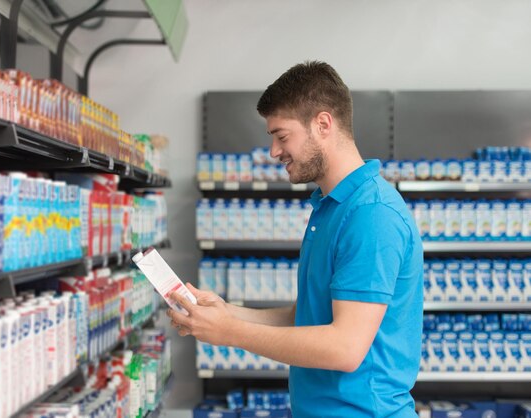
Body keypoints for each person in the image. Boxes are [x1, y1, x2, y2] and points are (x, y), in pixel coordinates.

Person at [168, 61, 423, 418]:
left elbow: (345, 348)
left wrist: (230, 333)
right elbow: (309, 316)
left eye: (282, 136)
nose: (273, 151)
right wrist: (228, 313)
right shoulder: (330, 207)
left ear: (322, 124)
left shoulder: (371, 214)